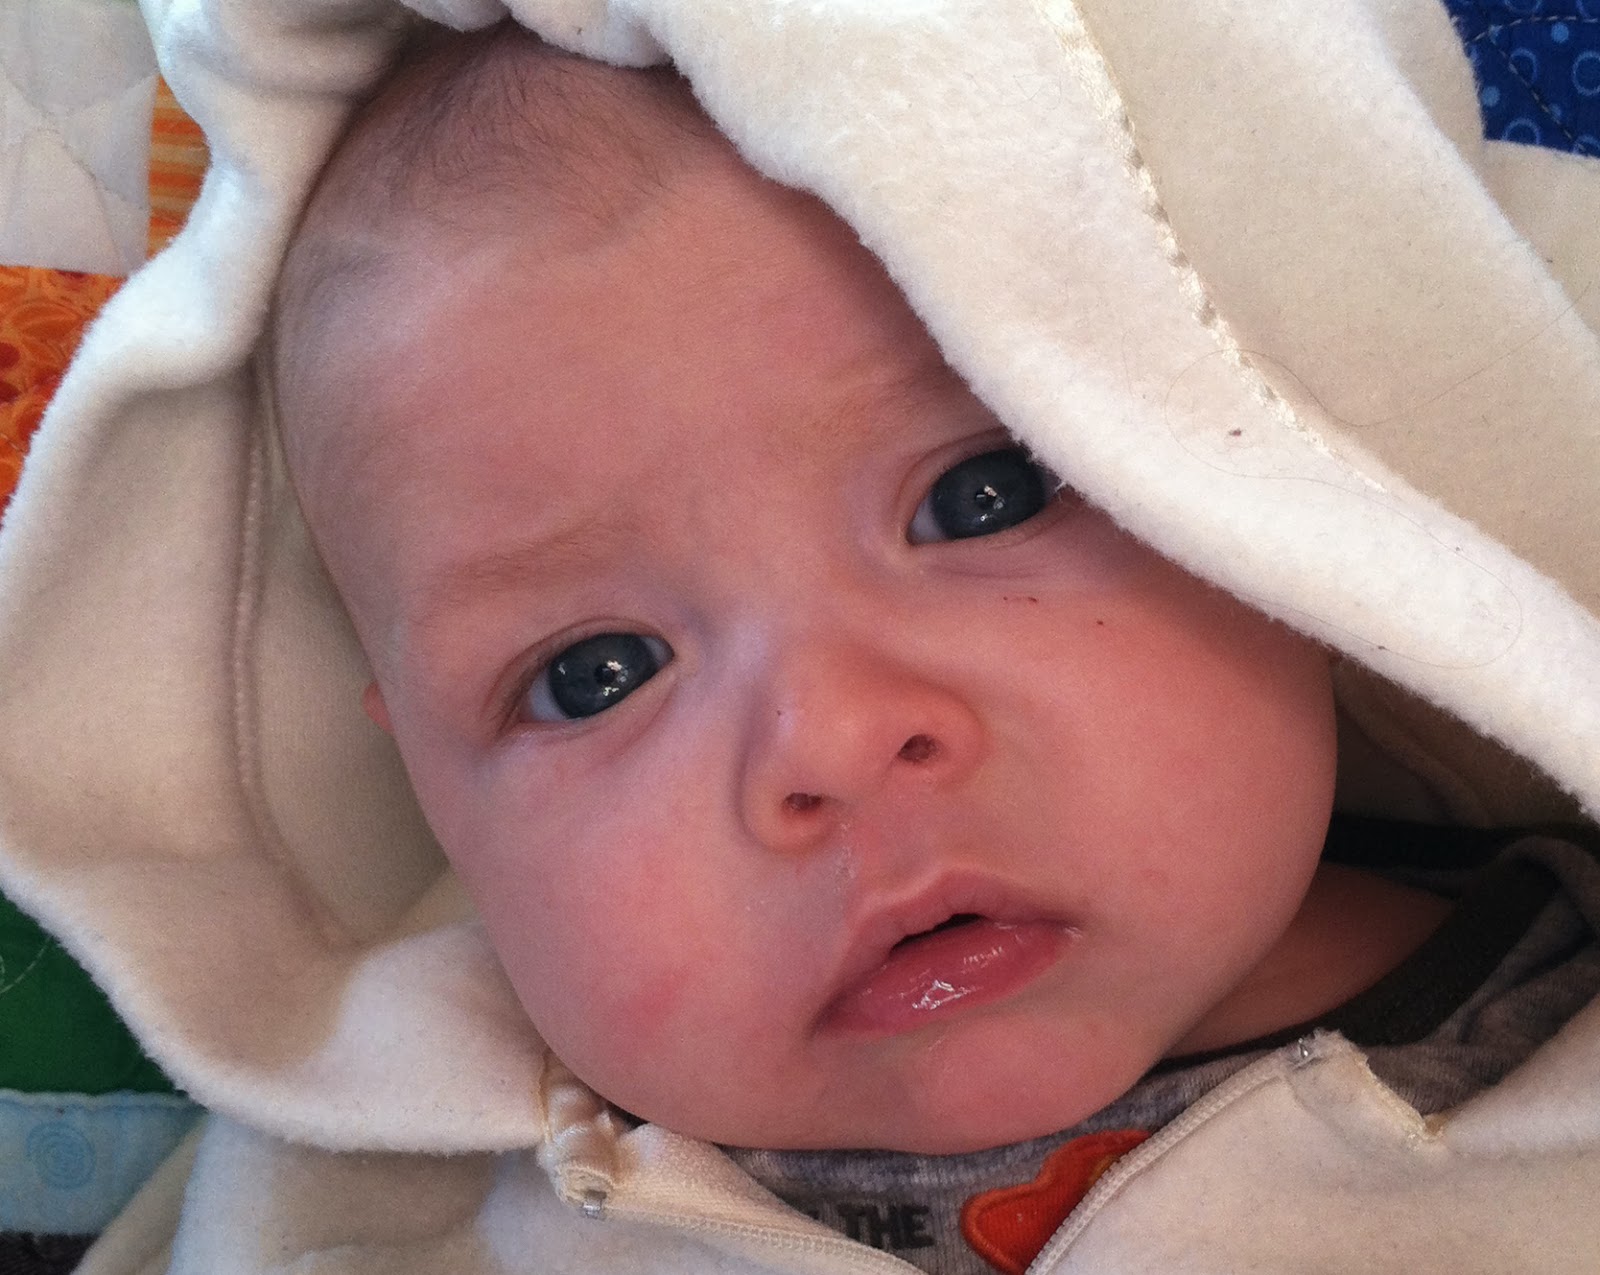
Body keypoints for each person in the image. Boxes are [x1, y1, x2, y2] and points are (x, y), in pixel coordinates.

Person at [3, 3, 1600, 1273]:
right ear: (427, 790)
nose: (830, 741)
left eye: (978, 498)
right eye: (596, 676)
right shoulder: (375, 1205)